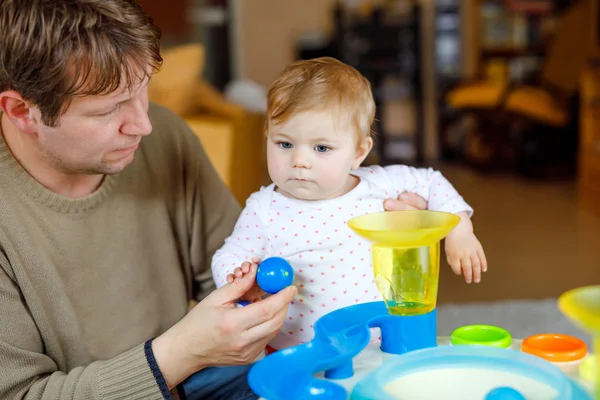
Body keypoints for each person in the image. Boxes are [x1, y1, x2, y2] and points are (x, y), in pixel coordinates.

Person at [0, 2, 425, 399]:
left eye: (143, 90)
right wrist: (179, 353)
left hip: (198, 379)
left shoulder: (164, 135)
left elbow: (233, 268)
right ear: (22, 112)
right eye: (107, 111)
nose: (144, 125)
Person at [211, 57, 487, 351]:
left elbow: (432, 181)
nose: (299, 161)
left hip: (380, 342)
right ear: (267, 136)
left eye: (321, 148)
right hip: (298, 350)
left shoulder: (380, 184)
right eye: (285, 144)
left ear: (358, 151)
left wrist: (460, 229)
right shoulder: (263, 208)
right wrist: (240, 277)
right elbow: (227, 255)